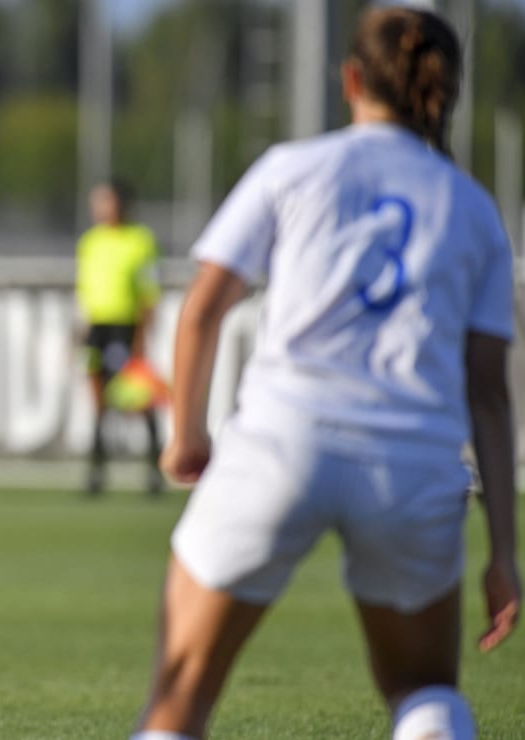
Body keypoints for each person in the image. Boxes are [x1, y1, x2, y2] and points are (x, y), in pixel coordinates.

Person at [131, 8, 519, 740]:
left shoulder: (293, 168)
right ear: (446, 92)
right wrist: (504, 551)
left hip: (284, 439)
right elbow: (490, 392)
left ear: (350, 80)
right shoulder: (474, 210)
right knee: (426, 691)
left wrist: (186, 436)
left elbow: (203, 309)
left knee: (181, 694)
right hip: (411, 463)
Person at [75, 180, 165, 495]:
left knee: (139, 398)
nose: (100, 207)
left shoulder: (140, 240)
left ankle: (155, 468)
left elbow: (149, 292)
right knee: (98, 401)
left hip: (126, 326)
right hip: (97, 329)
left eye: (106, 201)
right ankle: (96, 471)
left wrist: (142, 336)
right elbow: (86, 293)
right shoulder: (90, 242)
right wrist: (81, 333)